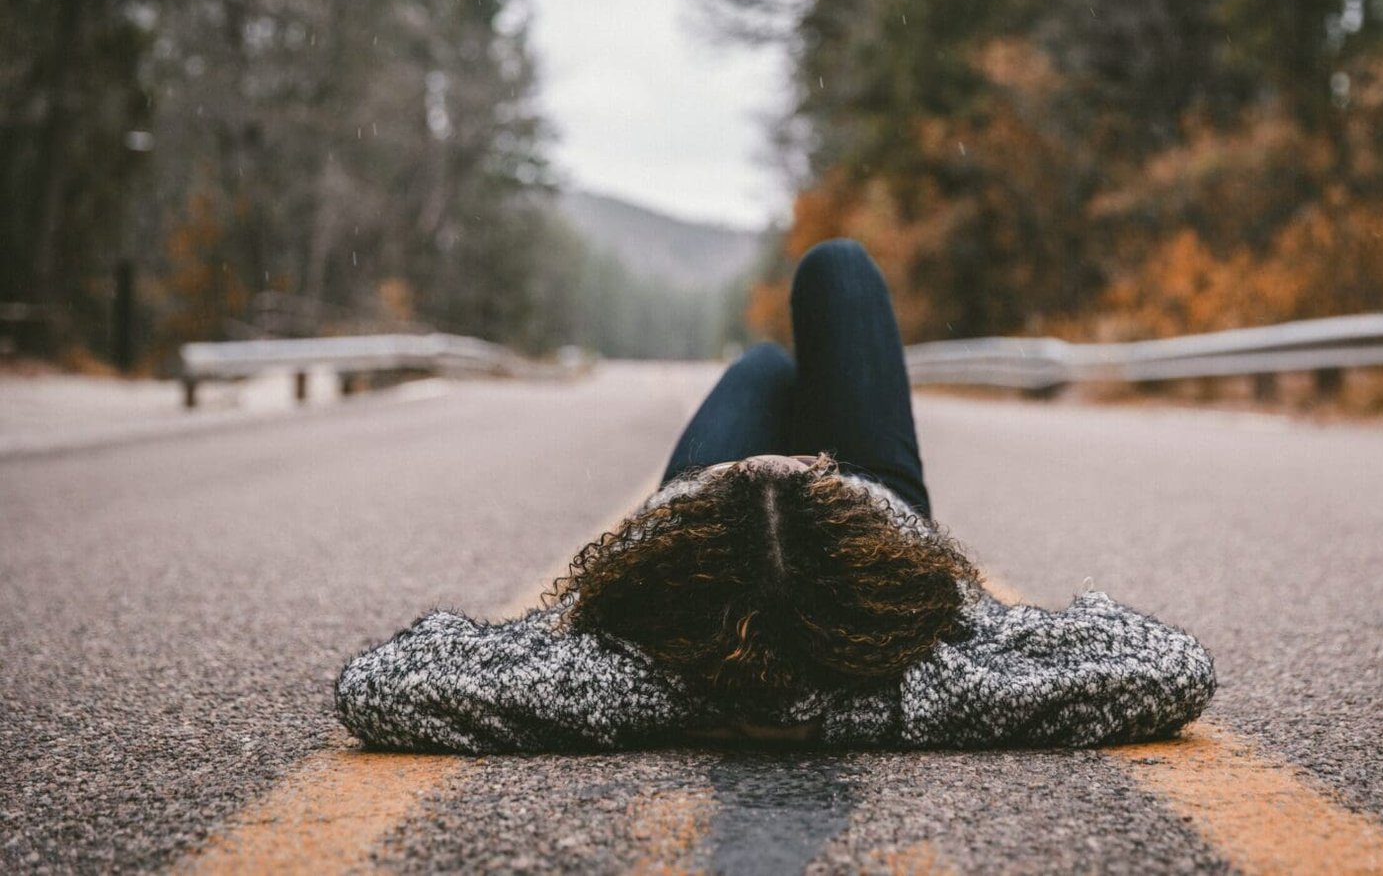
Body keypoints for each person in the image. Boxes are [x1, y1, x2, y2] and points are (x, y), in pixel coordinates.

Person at [335, 239, 1215, 752]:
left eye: (743, 478)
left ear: (684, 559)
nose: (775, 462)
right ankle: (816, 461)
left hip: (706, 582)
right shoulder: (944, 656)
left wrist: (578, 626)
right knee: (836, 268)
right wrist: (896, 673)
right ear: (856, 537)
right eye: (809, 482)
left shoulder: (627, 662)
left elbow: (377, 685)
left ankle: (756, 441)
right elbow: (1177, 666)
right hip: (852, 563)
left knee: (764, 368)